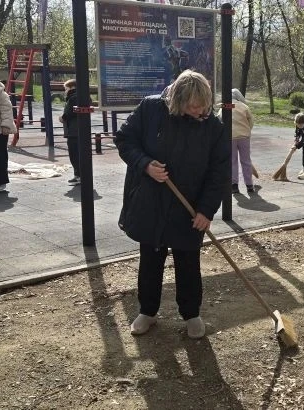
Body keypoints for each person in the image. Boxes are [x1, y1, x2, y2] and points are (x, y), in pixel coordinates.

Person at [114, 70, 228, 339]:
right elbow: (124, 139)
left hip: (189, 206)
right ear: (177, 100)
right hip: (151, 202)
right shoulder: (151, 108)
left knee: (188, 262)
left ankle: (191, 314)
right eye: (192, 106)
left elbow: (219, 172)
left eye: (203, 105)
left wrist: (206, 210)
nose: (199, 110)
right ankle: (148, 311)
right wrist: (145, 164)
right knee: (150, 260)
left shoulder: (213, 127)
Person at [226, 88, 254, 193]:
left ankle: (234, 185)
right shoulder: (244, 107)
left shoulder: (226, 106)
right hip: (244, 137)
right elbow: (251, 121)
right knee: (246, 161)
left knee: (232, 161)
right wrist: (247, 131)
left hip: (230, 137)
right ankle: (249, 185)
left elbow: (220, 118)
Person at [58, 79, 80, 185]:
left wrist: (62, 118)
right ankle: (79, 175)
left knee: (74, 154)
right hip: (77, 130)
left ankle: (79, 176)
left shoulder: (73, 98)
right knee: (77, 154)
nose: (65, 91)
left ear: (72, 88)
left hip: (73, 131)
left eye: (66, 89)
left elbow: (68, 114)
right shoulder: (80, 96)